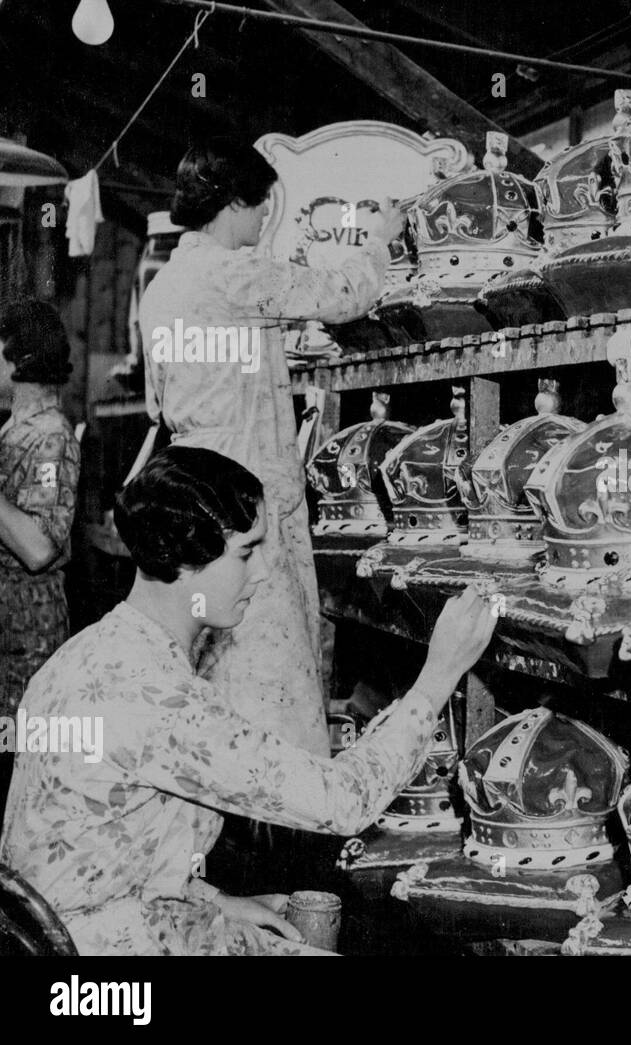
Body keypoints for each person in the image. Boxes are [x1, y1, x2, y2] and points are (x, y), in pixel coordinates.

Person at [0, 446, 496, 955]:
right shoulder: (160, 701)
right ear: (186, 558)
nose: (262, 573)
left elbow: (100, 842)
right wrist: (439, 675)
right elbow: (342, 801)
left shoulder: (87, 654)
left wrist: (213, 900)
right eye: (246, 551)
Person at [137, 138, 406, 756]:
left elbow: (171, 397)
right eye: (261, 206)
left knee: (211, 660)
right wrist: (380, 239)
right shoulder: (231, 273)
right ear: (233, 203)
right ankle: (281, 819)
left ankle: (225, 819)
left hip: (192, 484)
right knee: (270, 662)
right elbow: (342, 295)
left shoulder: (165, 287)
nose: (265, 219)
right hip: (244, 484)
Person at [0, 300, 79, 805]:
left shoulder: (50, 439)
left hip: (27, 640)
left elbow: (37, 545)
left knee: (17, 779)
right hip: (9, 631)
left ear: (19, 359)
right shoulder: (15, 431)